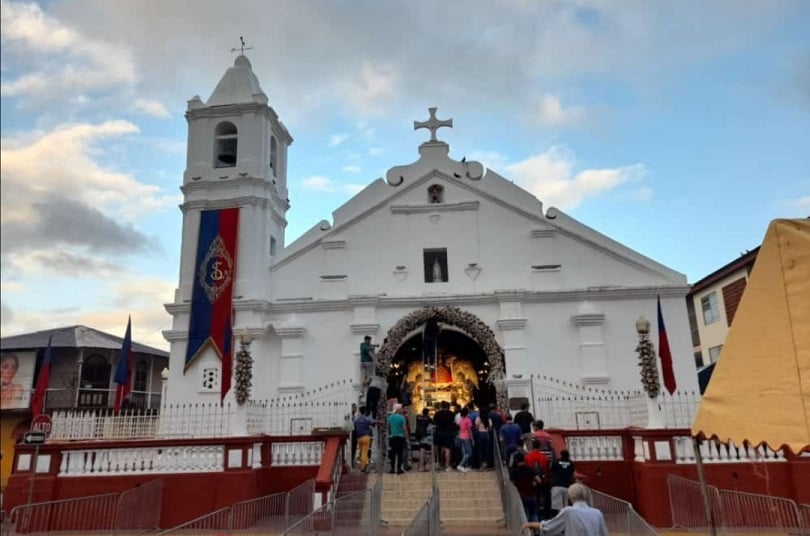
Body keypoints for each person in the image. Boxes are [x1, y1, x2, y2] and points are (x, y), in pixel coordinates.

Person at [520, 483, 609, 535]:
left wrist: (530, 524)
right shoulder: (597, 513)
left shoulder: (568, 512)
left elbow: (549, 526)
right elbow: (604, 534)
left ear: (569, 497)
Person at [510, 451, 542, 523]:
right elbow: (539, 481)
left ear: (516, 460)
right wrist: (533, 484)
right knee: (533, 512)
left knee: (524, 513)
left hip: (521, 494)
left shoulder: (514, 472)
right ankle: (535, 527)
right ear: (524, 459)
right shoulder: (530, 469)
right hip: (531, 493)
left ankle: (526, 528)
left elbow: (512, 484)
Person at [550, 450, 576, 514]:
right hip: (567, 486)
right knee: (566, 505)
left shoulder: (556, 462)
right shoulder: (571, 463)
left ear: (561, 455)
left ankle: (559, 516)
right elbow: (573, 474)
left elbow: (551, 471)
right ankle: (566, 517)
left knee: (557, 506)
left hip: (556, 485)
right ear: (568, 455)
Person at [432, 401, 456, 471]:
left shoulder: (437, 413)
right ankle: (447, 465)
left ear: (441, 406)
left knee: (437, 448)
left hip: (438, 432)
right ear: (448, 407)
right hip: (448, 433)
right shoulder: (452, 414)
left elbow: (434, 422)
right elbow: (454, 423)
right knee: (447, 449)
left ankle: (437, 463)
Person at [387, 403, 407, 474]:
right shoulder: (402, 418)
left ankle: (392, 468)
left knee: (392, 453)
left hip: (392, 437)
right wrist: (406, 437)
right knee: (400, 453)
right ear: (398, 409)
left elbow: (388, 427)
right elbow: (404, 428)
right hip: (400, 437)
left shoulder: (390, 417)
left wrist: (389, 434)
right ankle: (399, 469)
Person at [354, 406, 375, 473]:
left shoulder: (356, 420)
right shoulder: (367, 419)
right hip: (366, 437)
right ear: (365, 411)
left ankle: (364, 464)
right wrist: (381, 422)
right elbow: (373, 422)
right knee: (365, 452)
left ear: (360, 411)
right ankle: (363, 466)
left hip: (359, 438)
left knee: (361, 451)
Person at [415, 407, 434, 472]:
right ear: (428, 413)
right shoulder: (428, 418)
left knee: (422, 449)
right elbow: (433, 424)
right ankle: (421, 466)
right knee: (423, 449)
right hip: (424, 434)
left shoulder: (418, 417)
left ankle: (421, 465)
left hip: (417, 434)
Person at [457, 407, 474, 472]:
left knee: (464, 452)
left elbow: (460, 429)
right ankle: (460, 465)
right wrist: (472, 439)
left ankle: (466, 466)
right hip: (466, 437)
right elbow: (469, 430)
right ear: (467, 413)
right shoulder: (468, 420)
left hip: (461, 436)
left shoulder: (461, 420)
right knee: (469, 453)